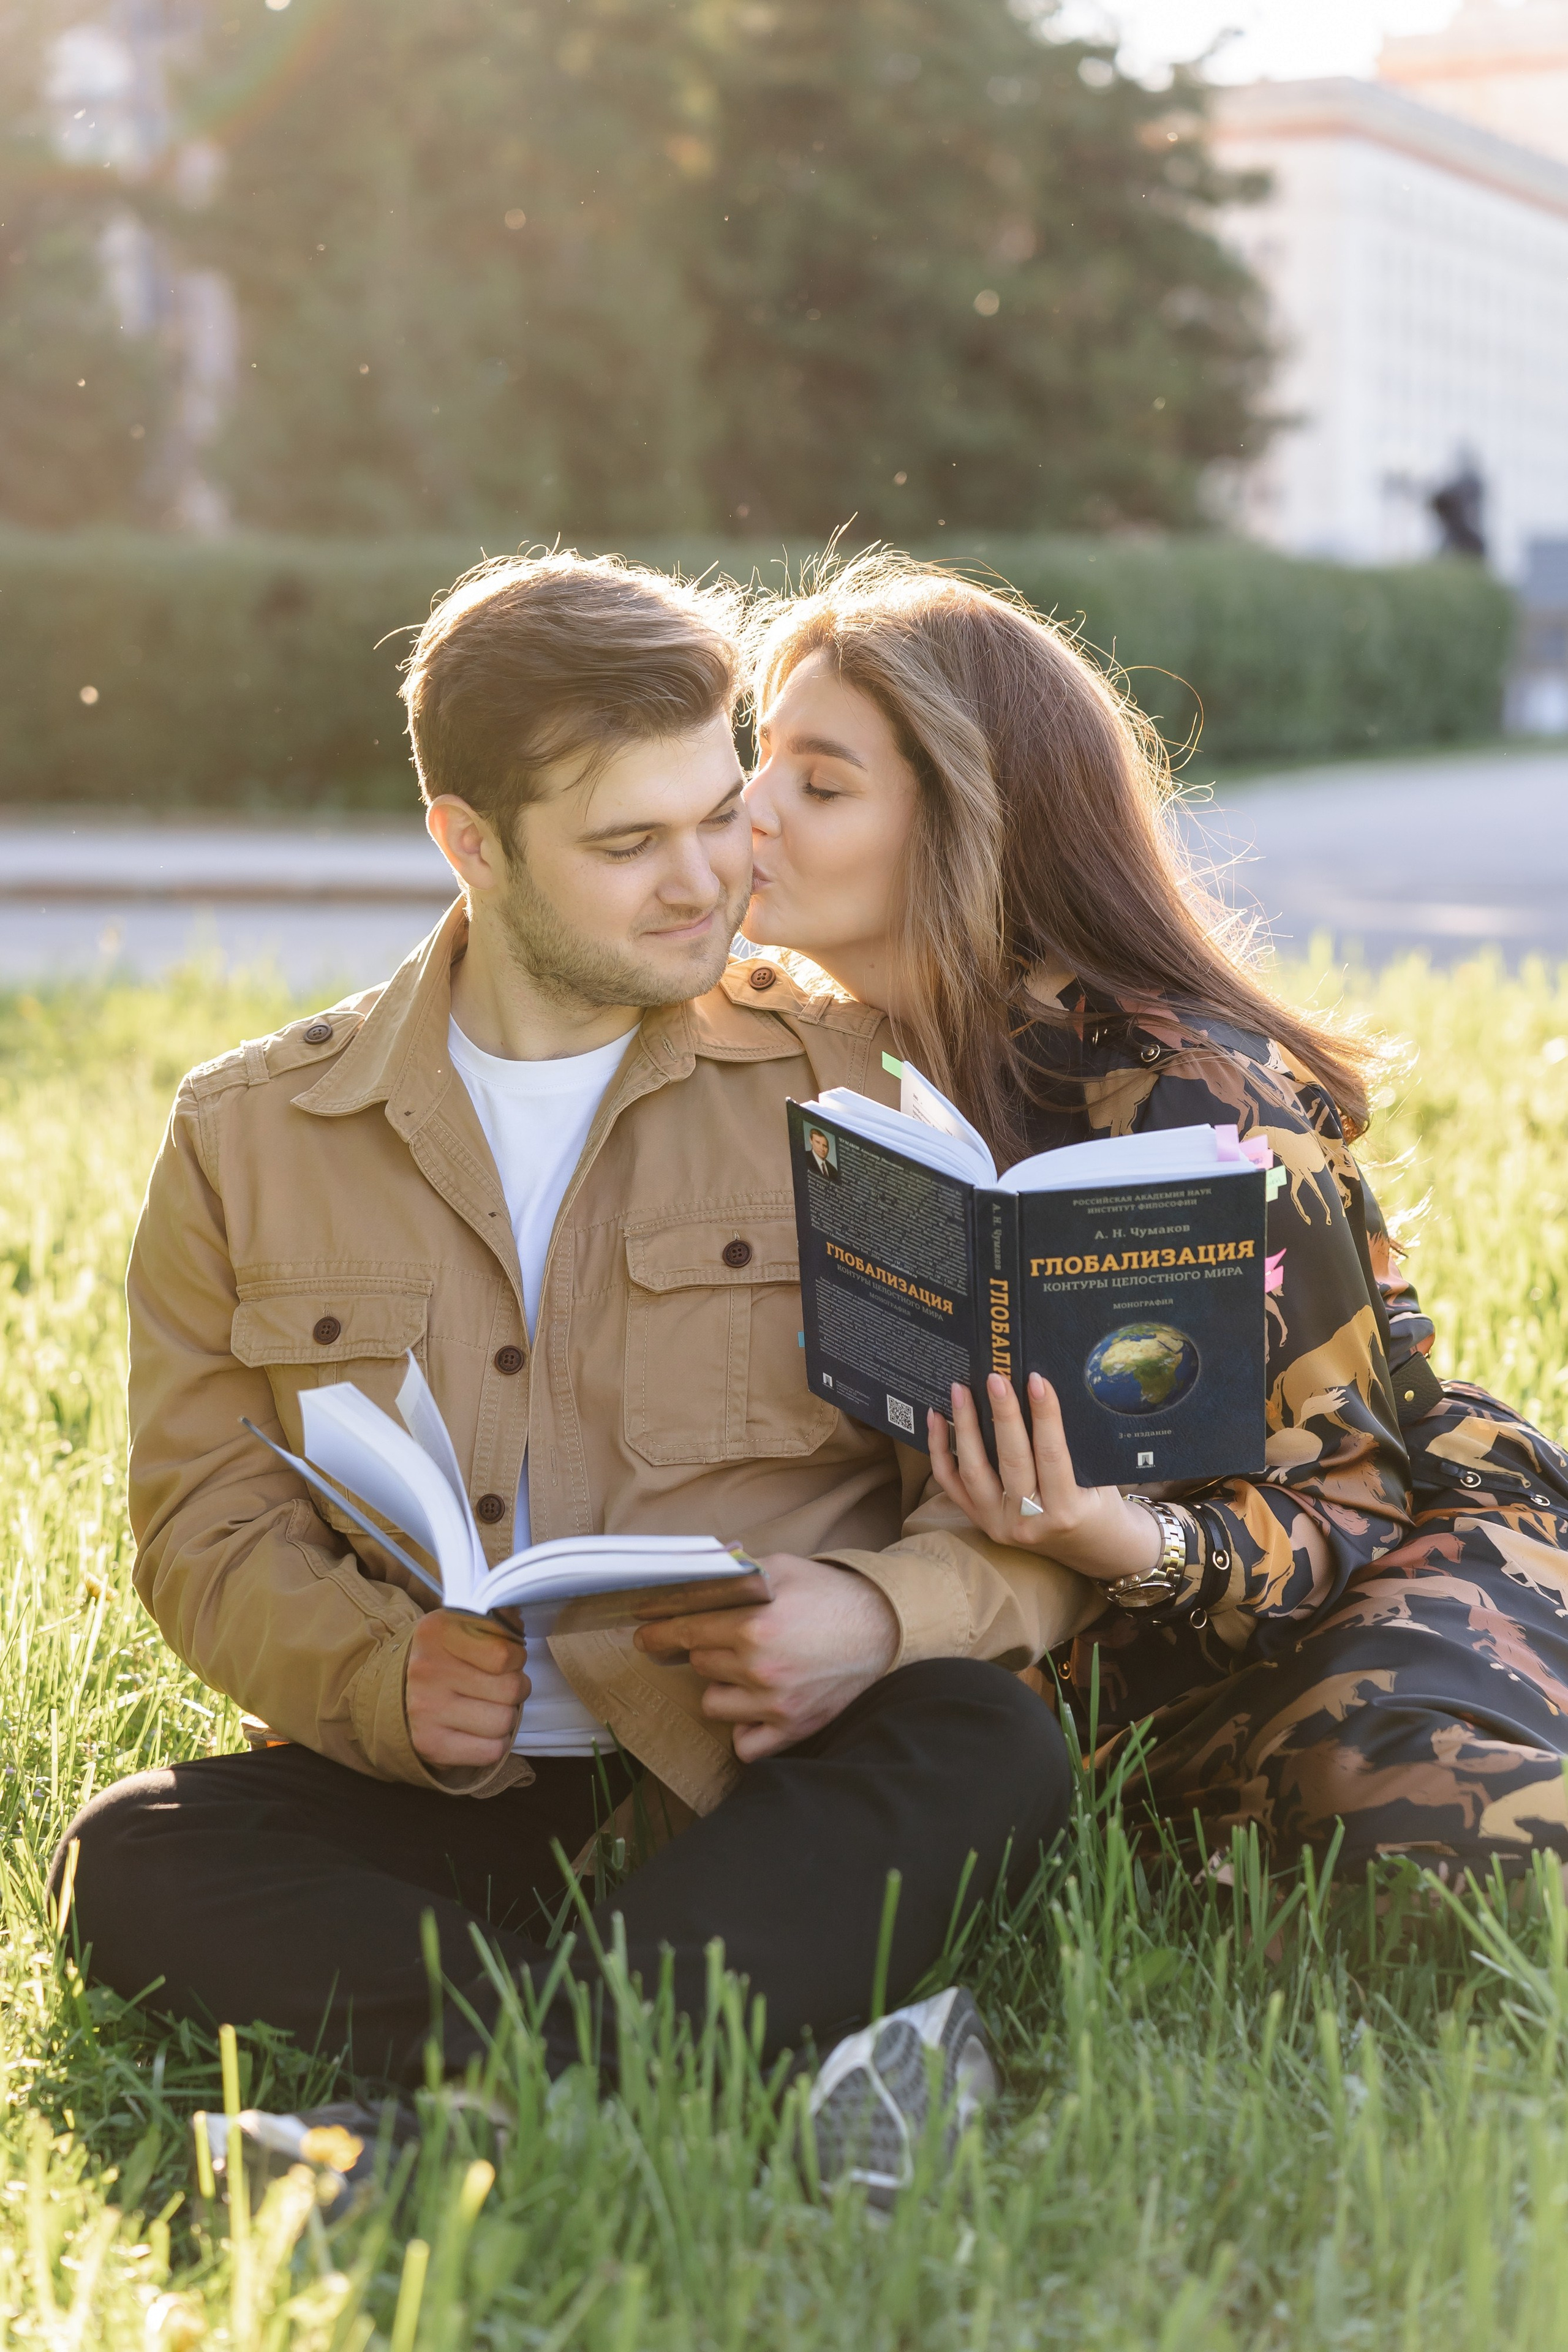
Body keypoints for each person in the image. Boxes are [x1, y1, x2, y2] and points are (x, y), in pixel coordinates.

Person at [51, 551, 1079, 2201]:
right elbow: (203, 1529)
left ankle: (448, 2131)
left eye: (718, 814)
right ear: (469, 842)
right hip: (444, 1803)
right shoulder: (249, 1132)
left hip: (762, 1784)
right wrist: (380, 1679)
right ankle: (747, 2058)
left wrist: (874, 1619)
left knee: (987, 1750)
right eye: (628, 845)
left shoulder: (850, 1074)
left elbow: (1017, 1515)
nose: (706, 882)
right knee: (129, 1855)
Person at [739, 551, 1568, 1879]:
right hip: (1051, 1649)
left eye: (819, 785)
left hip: (1359, 1573)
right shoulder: (782, 1048)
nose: (750, 811)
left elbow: (1345, 1495)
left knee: (1406, 1812)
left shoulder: (1189, 1091)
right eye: (758, 760)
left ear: (967, 824)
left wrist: (1101, 1534)